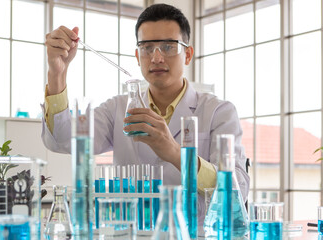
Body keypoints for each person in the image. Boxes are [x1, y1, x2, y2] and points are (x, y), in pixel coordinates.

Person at [42, 3, 249, 224]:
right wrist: (57, 73)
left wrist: (174, 152)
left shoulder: (219, 112)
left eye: (169, 47)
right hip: (130, 234)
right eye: (147, 48)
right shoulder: (117, 109)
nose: (156, 58)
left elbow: (238, 190)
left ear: (187, 54)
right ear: (137, 56)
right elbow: (61, 140)